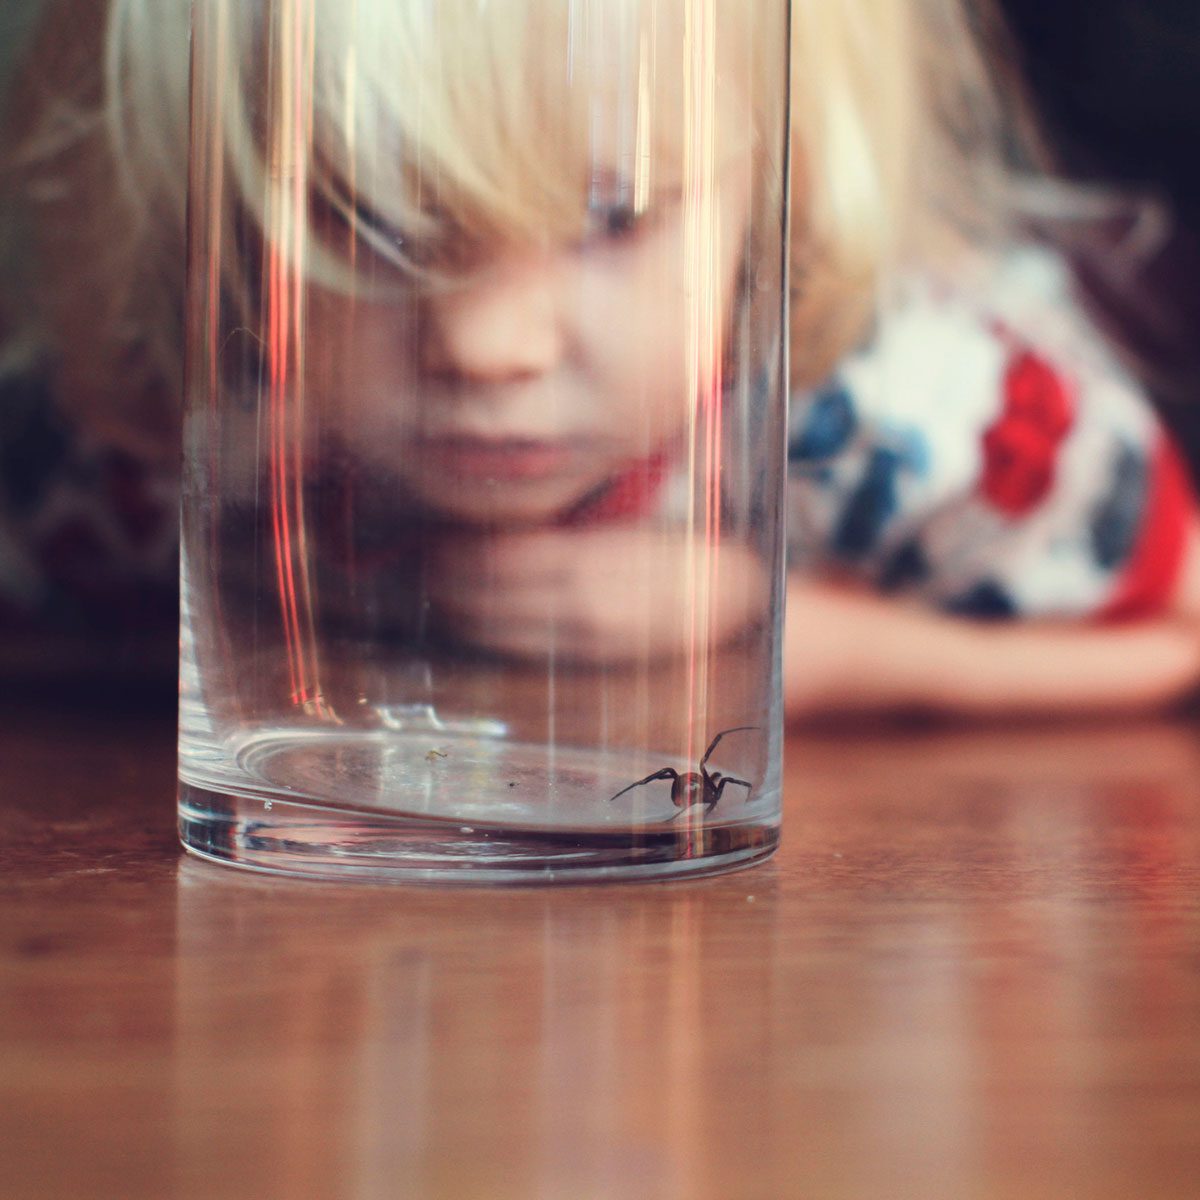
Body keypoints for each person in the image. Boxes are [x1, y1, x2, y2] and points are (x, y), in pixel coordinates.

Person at [4, 0, 1200, 721]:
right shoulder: (157, 438)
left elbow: (1177, 638)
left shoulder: (938, 412)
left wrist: (785, 638)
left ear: (773, 179)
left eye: (616, 213)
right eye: (360, 219)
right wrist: (250, 602)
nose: (487, 343)